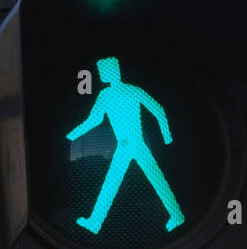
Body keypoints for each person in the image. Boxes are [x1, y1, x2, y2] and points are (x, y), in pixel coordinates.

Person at [65, 56, 184, 234]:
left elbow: (158, 110)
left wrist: (168, 138)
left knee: (150, 180)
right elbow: (95, 120)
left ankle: (176, 215)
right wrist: (72, 135)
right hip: (127, 145)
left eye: (103, 70)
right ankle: (95, 222)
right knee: (118, 182)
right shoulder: (121, 92)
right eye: (101, 71)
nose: (101, 74)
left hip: (134, 143)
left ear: (111, 72)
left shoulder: (118, 93)